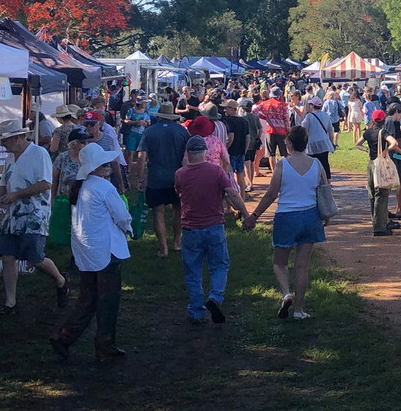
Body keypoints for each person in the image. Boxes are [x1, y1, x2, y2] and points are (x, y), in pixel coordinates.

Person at [50, 142, 132, 361]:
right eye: (105, 164)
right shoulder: (104, 187)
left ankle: (65, 336)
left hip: (86, 250)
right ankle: (105, 344)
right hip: (106, 250)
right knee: (108, 300)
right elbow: (122, 216)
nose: (108, 167)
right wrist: (129, 229)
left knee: (87, 298)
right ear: (98, 167)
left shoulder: (81, 187)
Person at [244, 125, 327, 320]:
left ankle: (286, 293)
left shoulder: (282, 165)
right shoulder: (317, 164)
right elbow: (325, 191)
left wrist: (254, 216)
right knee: (302, 266)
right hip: (310, 216)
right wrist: (326, 215)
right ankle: (299, 310)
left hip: (286, 217)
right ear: (306, 144)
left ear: (289, 143)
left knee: (280, 263)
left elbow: (271, 194)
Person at [0, 118, 71, 314]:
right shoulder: (11, 158)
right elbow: (4, 182)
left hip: (34, 214)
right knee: (7, 255)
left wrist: (16, 195)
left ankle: (61, 281)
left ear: (17, 138)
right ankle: (10, 303)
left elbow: (45, 183)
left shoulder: (39, 154)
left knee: (35, 258)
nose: (2, 144)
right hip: (13, 214)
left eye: (5, 140)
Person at [176, 135, 250, 324]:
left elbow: (179, 193)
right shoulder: (216, 172)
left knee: (192, 270)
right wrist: (246, 214)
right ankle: (215, 297)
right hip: (214, 226)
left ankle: (196, 311)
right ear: (205, 152)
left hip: (190, 228)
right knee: (219, 265)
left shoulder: (180, 174)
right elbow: (232, 194)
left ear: (188, 154)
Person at [138, 103, 190, 257]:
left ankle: (163, 248)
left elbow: (142, 156)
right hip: (177, 177)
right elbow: (187, 155)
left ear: (159, 115)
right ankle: (177, 242)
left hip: (156, 177)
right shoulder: (182, 131)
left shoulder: (149, 132)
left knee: (158, 212)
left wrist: (140, 177)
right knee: (178, 210)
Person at [355, 109, 398, 236]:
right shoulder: (382, 132)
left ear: (373, 120)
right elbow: (394, 143)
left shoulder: (368, 132)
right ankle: (380, 227)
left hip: (371, 164)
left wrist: (366, 149)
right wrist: (386, 151)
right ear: (383, 120)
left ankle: (375, 221)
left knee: (372, 194)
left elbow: (357, 144)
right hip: (380, 165)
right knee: (382, 194)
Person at [80, 111, 126, 193]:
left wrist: (120, 184)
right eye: (86, 124)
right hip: (85, 180)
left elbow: (114, 161)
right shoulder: (81, 140)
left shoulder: (107, 139)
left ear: (99, 123)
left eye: (92, 124)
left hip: (103, 179)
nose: (89, 127)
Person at [383, 101, 401, 220]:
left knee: (394, 181)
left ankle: (389, 209)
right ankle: (395, 209)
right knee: (400, 179)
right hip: (394, 156)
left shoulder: (388, 121)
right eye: (400, 114)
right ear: (395, 111)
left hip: (392, 155)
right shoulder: (390, 122)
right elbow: (394, 143)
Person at [302, 96, 336, 179]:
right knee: (325, 163)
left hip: (312, 144)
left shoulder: (309, 116)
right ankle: (327, 181)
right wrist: (332, 143)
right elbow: (331, 131)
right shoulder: (326, 115)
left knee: (312, 164)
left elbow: (304, 129)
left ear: (312, 106)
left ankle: (315, 181)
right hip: (324, 143)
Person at [222, 101, 250, 198]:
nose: (225, 110)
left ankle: (231, 205)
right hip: (241, 152)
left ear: (233, 109)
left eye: (227, 108)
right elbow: (248, 138)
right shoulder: (244, 121)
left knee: (230, 178)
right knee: (240, 177)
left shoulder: (229, 121)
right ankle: (243, 197)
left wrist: (225, 149)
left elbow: (231, 137)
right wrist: (244, 151)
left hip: (231, 152)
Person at [259, 87, 290, 169]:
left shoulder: (265, 103)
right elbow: (286, 119)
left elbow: (255, 110)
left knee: (271, 154)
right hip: (282, 131)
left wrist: (264, 116)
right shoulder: (283, 105)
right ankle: (286, 170)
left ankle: (274, 172)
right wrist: (288, 130)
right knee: (285, 153)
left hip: (270, 130)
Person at [51, 129, 88, 197]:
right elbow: (54, 180)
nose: (86, 145)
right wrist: (52, 199)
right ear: (73, 144)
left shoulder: (89, 159)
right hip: (63, 201)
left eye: (87, 142)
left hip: (83, 200)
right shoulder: (62, 158)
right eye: (82, 142)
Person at [122, 91, 151, 172]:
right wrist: (134, 122)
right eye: (144, 103)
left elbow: (149, 123)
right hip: (132, 133)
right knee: (130, 152)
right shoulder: (131, 111)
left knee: (141, 153)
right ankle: (128, 169)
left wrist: (144, 123)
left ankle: (139, 171)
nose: (146, 105)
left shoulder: (146, 112)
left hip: (142, 134)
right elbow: (126, 120)